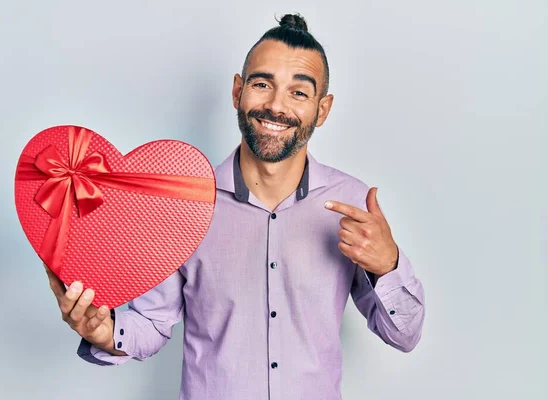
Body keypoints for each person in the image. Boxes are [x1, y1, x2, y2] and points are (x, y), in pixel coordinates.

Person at [45, 13, 426, 400]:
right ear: (237, 92)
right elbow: (151, 323)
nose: (276, 106)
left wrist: (388, 265)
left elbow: (404, 335)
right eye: (262, 84)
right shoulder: (185, 207)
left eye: (299, 92)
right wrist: (106, 331)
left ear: (322, 110)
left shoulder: (352, 204)